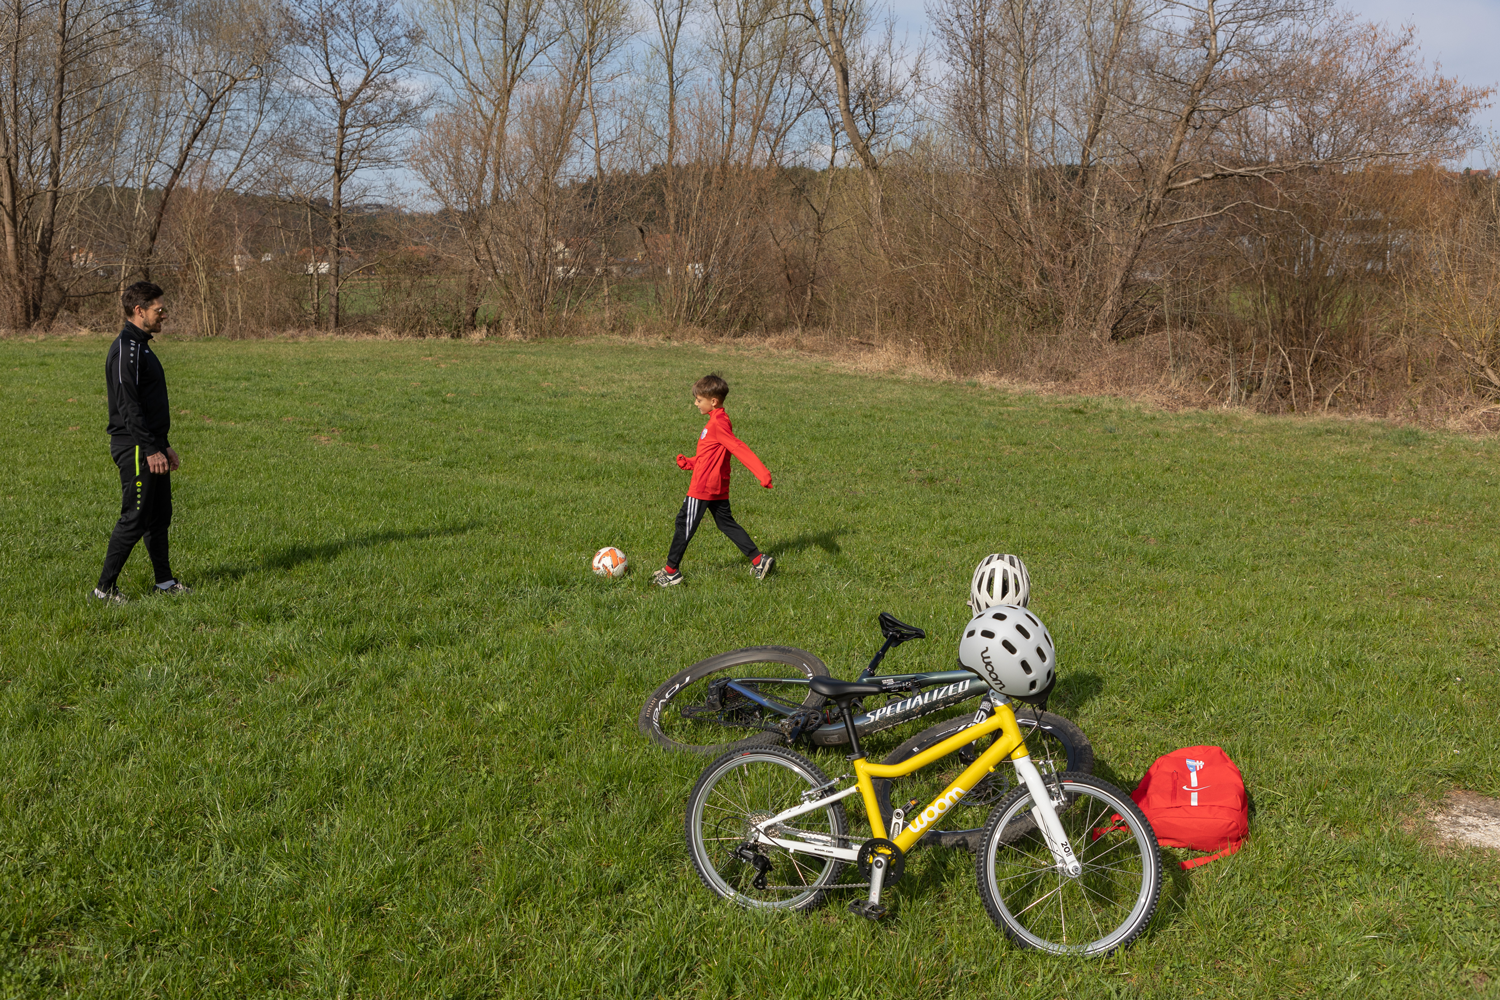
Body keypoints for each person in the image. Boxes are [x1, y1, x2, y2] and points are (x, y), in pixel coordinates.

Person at [91, 281, 189, 603]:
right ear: (139, 311)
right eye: (159, 310)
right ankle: (103, 590)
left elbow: (148, 406)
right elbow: (128, 408)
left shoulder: (142, 345)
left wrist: (164, 444)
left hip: (150, 444)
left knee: (160, 517)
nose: (164, 315)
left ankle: (164, 582)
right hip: (134, 447)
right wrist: (149, 449)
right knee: (134, 517)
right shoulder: (125, 349)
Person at [653, 374, 774, 587]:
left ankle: (671, 572)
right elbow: (711, 454)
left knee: (684, 524)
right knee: (726, 523)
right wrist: (690, 462)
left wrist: (761, 473)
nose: (695, 403)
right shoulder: (718, 420)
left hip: (703, 487)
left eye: (699, 400)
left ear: (713, 401)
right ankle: (759, 560)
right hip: (716, 485)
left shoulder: (717, 423)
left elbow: (738, 447)